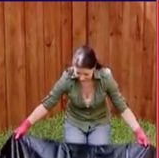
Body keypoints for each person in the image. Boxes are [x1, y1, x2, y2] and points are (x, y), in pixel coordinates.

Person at [14, 45, 150, 146]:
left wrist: (138, 131)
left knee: (98, 153)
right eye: (78, 73)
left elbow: (122, 107)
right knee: (75, 154)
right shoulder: (67, 79)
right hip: (75, 122)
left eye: (86, 74)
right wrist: (25, 124)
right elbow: (48, 103)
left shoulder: (105, 78)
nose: (81, 77)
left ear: (94, 68)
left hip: (99, 122)